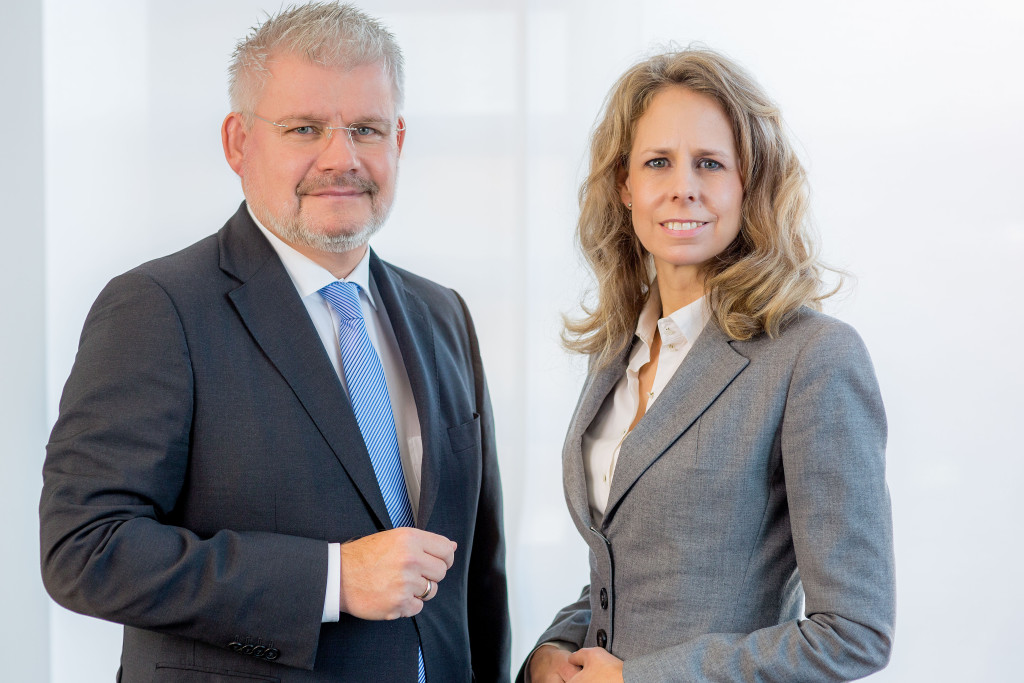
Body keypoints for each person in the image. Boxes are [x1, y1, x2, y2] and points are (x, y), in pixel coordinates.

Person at [39, 3, 510, 681]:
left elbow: (478, 575)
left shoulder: (443, 315)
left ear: (399, 139)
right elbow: (85, 549)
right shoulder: (158, 309)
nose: (342, 158)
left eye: (367, 129)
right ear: (238, 142)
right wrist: (331, 578)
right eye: (304, 128)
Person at [523, 48, 895, 682]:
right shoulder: (617, 351)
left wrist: (638, 679)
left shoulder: (812, 356)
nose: (682, 187)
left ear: (750, 184)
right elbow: (630, 572)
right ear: (625, 186)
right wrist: (552, 650)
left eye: (710, 163)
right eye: (657, 162)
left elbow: (853, 634)